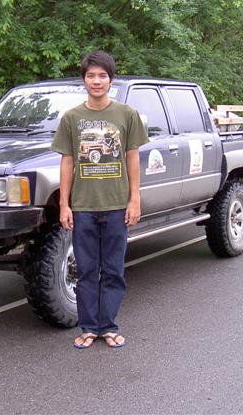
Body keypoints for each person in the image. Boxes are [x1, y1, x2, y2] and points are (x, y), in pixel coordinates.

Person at [51, 50, 149, 349]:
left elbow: (132, 158)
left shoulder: (126, 115)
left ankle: (109, 326)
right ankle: (89, 328)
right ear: (84, 80)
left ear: (111, 80)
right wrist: (64, 204)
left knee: (114, 270)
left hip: (117, 206)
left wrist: (134, 199)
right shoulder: (72, 118)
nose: (97, 81)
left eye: (102, 76)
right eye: (91, 76)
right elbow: (67, 162)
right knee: (86, 271)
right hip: (83, 208)